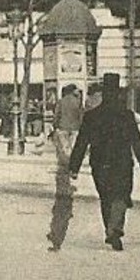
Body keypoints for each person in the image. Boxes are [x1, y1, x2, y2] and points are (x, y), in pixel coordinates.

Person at [66, 73, 140, 251]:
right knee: (121, 194)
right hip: (122, 162)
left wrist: (74, 167)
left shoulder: (92, 116)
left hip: (100, 163)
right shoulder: (126, 116)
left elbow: (82, 143)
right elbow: (137, 141)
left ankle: (110, 229)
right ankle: (116, 228)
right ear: (118, 93)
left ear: (103, 94)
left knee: (106, 197)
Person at [45, 85, 85, 251]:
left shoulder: (61, 102)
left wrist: (55, 127)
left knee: (63, 154)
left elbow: (56, 117)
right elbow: (82, 117)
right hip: (75, 130)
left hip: (62, 130)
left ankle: (65, 169)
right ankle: (72, 168)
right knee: (73, 152)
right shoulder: (77, 102)